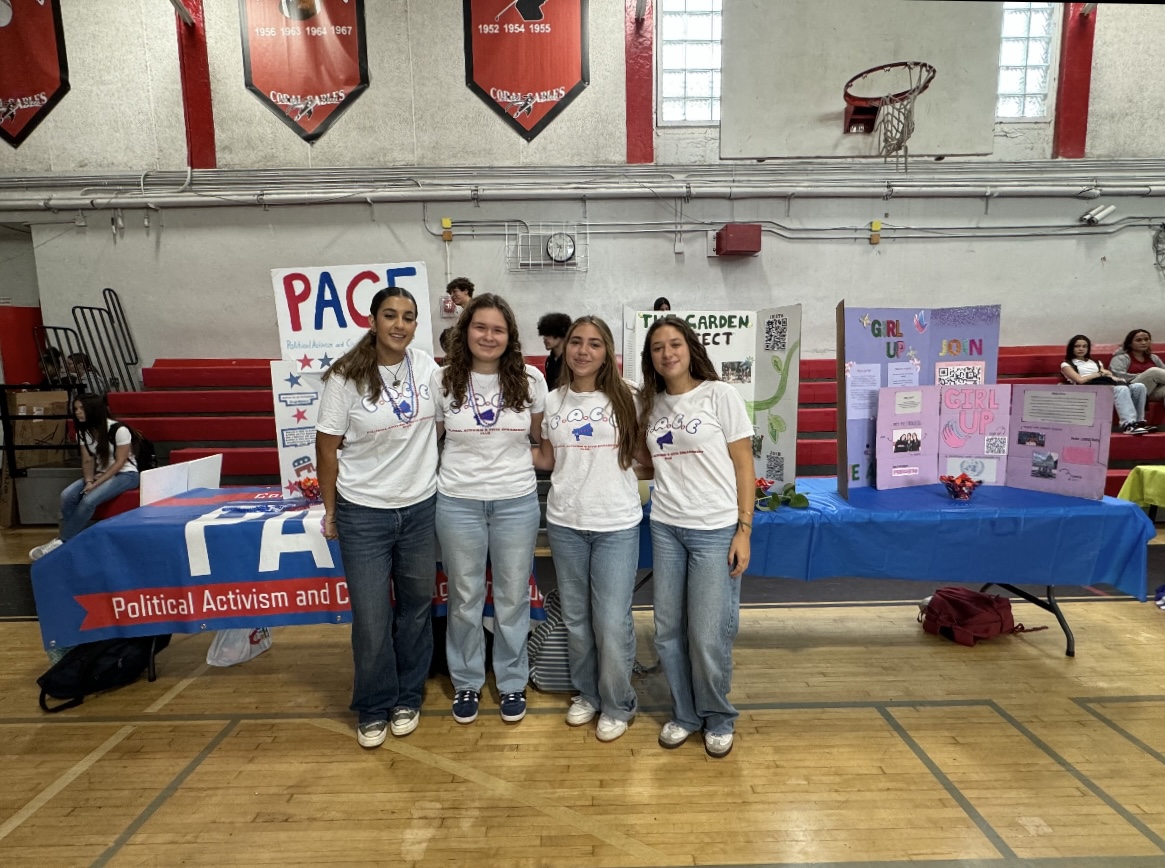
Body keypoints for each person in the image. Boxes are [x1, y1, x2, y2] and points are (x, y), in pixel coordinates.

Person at [315, 286, 439, 748]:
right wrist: (331, 511)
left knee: (416, 609)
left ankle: (408, 696)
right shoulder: (345, 377)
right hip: (362, 513)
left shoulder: (425, 366)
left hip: (420, 508)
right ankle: (373, 703)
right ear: (372, 320)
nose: (400, 325)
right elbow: (326, 449)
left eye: (408, 317)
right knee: (371, 617)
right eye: (390, 315)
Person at [639, 316, 754, 758]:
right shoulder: (650, 404)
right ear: (650, 358)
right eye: (657, 348)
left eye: (674, 344)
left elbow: (744, 464)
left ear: (689, 348)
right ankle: (685, 713)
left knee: (707, 634)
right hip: (667, 526)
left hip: (715, 529)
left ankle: (718, 716)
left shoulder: (720, 394)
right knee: (668, 631)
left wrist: (743, 530)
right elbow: (653, 464)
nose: (667, 353)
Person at [431, 293, 547, 725]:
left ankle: (512, 680)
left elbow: (539, 442)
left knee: (513, 596)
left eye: (498, 329)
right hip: (458, 501)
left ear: (510, 336)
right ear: (465, 332)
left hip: (516, 501)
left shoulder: (531, 380)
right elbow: (433, 441)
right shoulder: (442, 381)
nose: (488, 336)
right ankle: (466, 682)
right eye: (480, 327)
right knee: (464, 597)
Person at [533, 316, 645, 743]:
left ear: (608, 352)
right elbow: (546, 458)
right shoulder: (554, 399)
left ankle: (619, 703)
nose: (583, 350)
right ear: (566, 349)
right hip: (566, 523)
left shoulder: (629, 397)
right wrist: (492, 448)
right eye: (577, 342)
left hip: (616, 523)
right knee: (577, 618)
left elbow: (642, 455)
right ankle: (588, 693)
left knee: (612, 621)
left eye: (594, 344)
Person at [29, 394, 140, 561]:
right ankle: (74, 540)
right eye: (76, 409)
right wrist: (89, 480)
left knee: (89, 501)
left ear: (93, 409)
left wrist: (95, 485)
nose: (78, 412)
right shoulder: (84, 432)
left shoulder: (118, 429)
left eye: (82, 408)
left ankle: (62, 541)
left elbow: (120, 462)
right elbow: (87, 460)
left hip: (126, 474)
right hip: (100, 473)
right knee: (67, 496)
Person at [1061, 334, 1153, 434]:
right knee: (1121, 389)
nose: (1081, 349)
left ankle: (1139, 422)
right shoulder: (1067, 364)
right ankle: (1128, 424)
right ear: (1071, 348)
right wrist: (1099, 373)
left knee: (1139, 387)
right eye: (1077, 346)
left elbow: (1108, 375)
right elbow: (1080, 380)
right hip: (1086, 389)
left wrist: (1118, 379)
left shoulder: (1096, 362)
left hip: (1103, 385)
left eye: (1084, 346)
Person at [1109, 329, 1165, 402]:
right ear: (1130, 343)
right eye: (1139, 340)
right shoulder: (1120, 358)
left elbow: (1162, 373)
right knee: (1153, 372)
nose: (1143, 342)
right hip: (1130, 390)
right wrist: (1145, 376)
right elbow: (1117, 377)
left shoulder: (1153, 357)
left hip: (1150, 391)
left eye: (1146, 339)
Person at [536, 312, 572, 389]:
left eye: (549, 334)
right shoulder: (550, 360)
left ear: (561, 333)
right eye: (544, 334)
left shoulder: (571, 360)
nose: (544, 338)